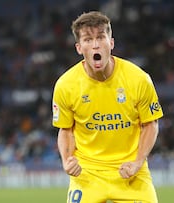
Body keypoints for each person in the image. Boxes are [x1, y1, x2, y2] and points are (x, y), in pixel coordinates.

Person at [52, 11, 163, 203]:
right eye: (88, 39)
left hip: (130, 173)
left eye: (101, 37)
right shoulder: (66, 85)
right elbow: (66, 129)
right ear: (79, 48)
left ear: (111, 43)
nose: (95, 44)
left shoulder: (139, 79)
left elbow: (150, 124)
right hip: (88, 174)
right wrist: (67, 159)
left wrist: (137, 163)